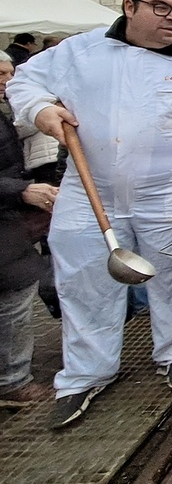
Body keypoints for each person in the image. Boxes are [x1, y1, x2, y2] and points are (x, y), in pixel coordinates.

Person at [6, 0, 172, 429]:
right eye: (160, 8)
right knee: (84, 280)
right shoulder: (81, 51)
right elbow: (24, 82)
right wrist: (41, 109)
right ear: (130, 8)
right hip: (92, 190)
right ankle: (86, 374)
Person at [0, 51, 57, 407]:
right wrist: (21, 190)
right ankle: (12, 381)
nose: (5, 80)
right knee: (16, 296)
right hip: (5, 217)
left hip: (10, 214)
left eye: (8, 72)